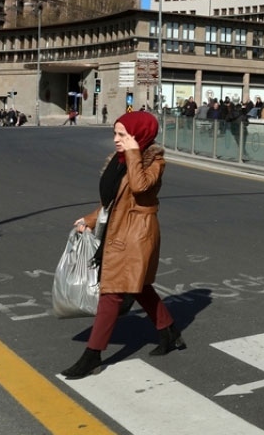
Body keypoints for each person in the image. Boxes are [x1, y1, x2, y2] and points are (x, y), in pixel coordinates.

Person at [62, 112, 183, 379]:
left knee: (113, 292)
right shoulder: (117, 162)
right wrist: (91, 219)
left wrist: (133, 152)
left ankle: (93, 354)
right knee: (138, 287)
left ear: (138, 137)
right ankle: (169, 331)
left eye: (123, 135)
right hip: (118, 230)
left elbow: (140, 188)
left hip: (136, 235)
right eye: (115, 134)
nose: (116, 140)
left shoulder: (154, 161)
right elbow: (113, 201)